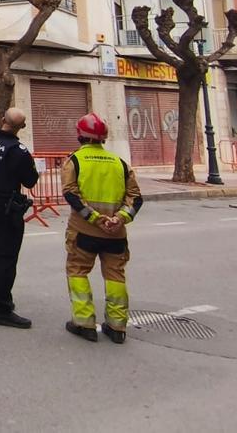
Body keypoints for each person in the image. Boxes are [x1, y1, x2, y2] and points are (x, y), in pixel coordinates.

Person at [61, 113, 143, 344]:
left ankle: (84, 323)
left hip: (84, 231)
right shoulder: (120, 163)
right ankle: (117, 327)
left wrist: (96, 219)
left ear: (80, 135)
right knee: (116, 276)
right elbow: (136, 198)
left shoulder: (75, 161)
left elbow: (71, 195)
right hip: (116, 234)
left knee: (78, 272)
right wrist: (119, 219)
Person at [0, 107, 39, 329]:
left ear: (2, 119)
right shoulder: (17, 151)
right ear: (21, 127)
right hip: (5, 207)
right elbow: (30, 181)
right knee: (6, 256)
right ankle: (1, 308)